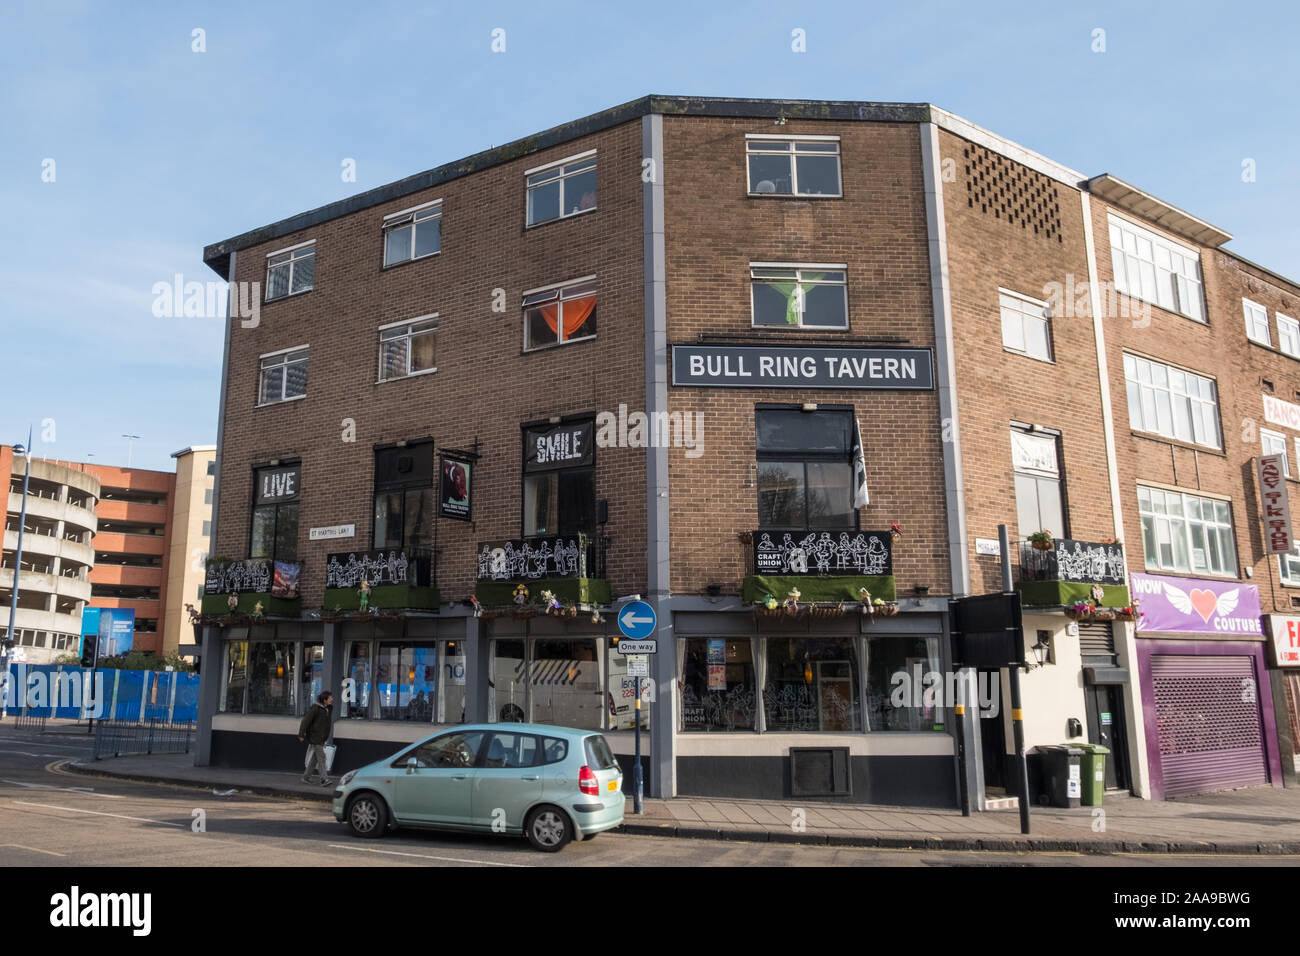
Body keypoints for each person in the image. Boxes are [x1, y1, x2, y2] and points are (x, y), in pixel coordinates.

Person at [298, 691, 334, 785]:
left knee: (315, 759)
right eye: (330, 698)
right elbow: (305, 721)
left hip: (322, 738)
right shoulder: (315, 708)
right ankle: (324, 779)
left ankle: (306, 777)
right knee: (322, 757)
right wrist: (301, 734)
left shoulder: (328, 709)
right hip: (315, 737)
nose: (332, 699)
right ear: (325, 700)